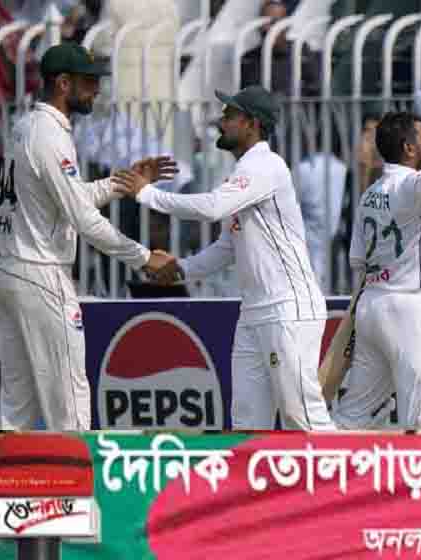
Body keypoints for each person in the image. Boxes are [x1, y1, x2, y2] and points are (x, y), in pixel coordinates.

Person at [114, 85, 335, 431]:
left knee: (302, 417)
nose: (221, 121)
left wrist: (147, 195)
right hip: (254, 311)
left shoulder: (266, 165)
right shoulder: (244, 172)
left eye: (230, 115)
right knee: (247, 422)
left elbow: (212, 207)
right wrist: (181, 269)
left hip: (288, 308)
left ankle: (340, 469)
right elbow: (227, 247)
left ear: (252, 124)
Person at [0, 42, 174, 431]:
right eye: (89, 82)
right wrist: (144, 258)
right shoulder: (50, 135)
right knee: (70, 403)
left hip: (11, 270)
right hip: (41, 273)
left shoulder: (26, 126)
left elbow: (67, 199)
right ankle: (79, 473)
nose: (97, 90)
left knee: (17, 407)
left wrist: (122, 182)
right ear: (63, 83)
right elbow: (83, 219)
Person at [329, 105, 421, 430]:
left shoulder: (370, 194)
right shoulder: (412, 187)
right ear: (409, 148)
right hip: (410, 308)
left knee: (354, 416)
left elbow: (358, 261)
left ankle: (327, 461)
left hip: (371, 307)